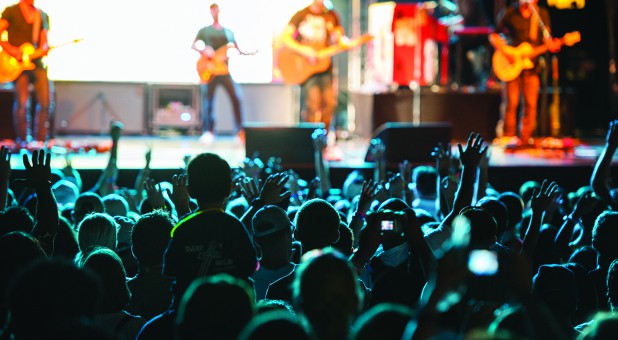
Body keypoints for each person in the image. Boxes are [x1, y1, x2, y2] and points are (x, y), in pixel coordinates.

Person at [489, 0, 561, 146]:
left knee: (531, 104)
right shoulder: (510, 13)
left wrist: (552, 45)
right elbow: (494, 36)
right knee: (511, 103)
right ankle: (508, 138)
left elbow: (547, 38)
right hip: (511, 63)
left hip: (532, 66)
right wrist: (506, 52)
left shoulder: (541, 15)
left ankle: (525, 140)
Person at [280, 0, 349, 140]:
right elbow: (285, 37)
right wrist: (304, 50)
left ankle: (323, 141)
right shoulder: (301, 15)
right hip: (307, 69)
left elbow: (339, 37)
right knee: (313, 103)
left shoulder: (331, 15)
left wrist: (343, 41)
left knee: (329, 105)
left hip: (325, 67)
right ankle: (308, 141)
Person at [193, 3, 246, 144]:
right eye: (212, 11)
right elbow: (195, 44)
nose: (214, 13)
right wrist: (204, 50)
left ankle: (240, 132)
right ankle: (209, 131)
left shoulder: (228, 32)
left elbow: (235, 48)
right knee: (208, 102)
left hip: (224, 71)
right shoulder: (204, 31)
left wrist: (229, 54)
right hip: (210, 71)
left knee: (236, 98)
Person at [0, 0, 52, 143]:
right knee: (22, 104)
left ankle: (40, 143)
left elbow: (44, 41)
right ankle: (23, 141)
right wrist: (12, 51)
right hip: (18, 65)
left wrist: (44, 48)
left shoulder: (41, 15)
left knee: (45, 102)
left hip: (37, 64)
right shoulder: (10, 11)